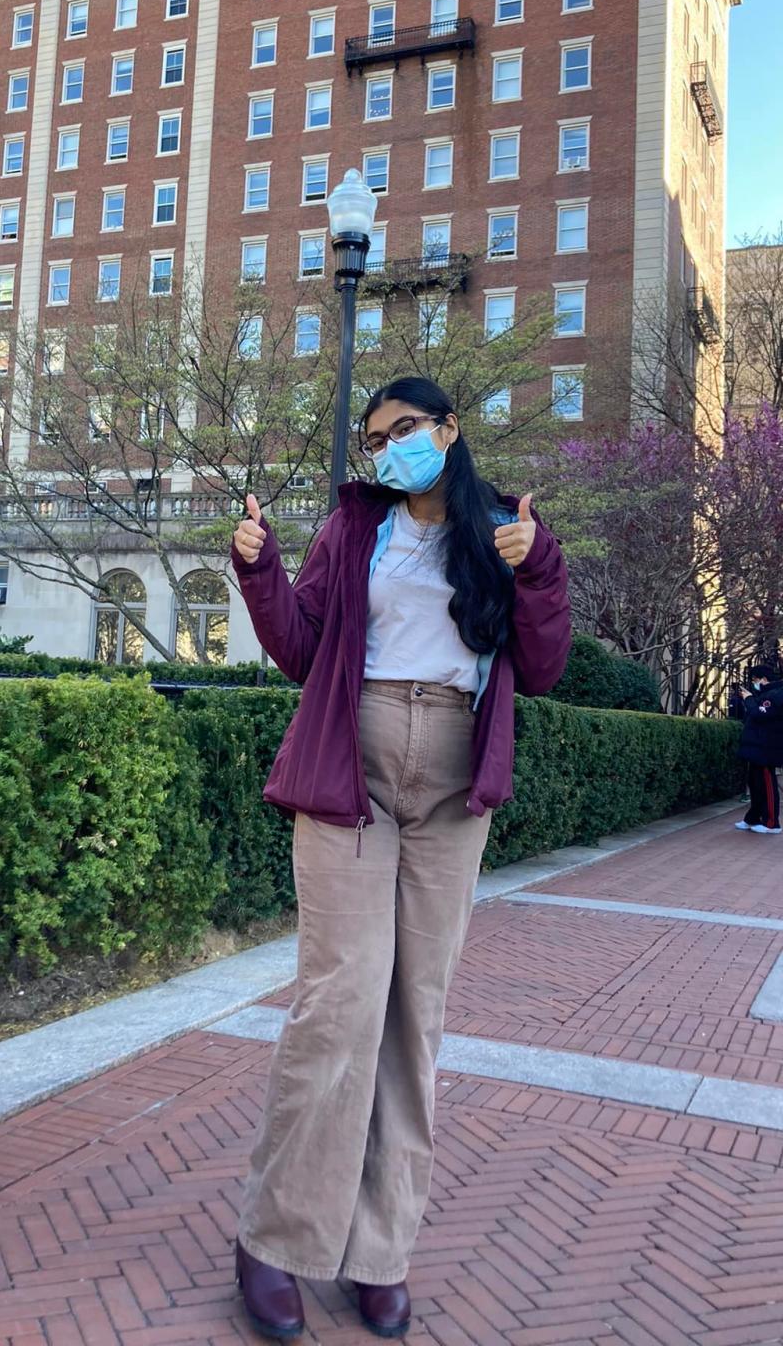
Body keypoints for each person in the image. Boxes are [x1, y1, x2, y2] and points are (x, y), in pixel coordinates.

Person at [229, 376, 571, 1341]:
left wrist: (538, 568)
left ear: (452, 430)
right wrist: (257, 571)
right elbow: (301, 648)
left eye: (407, 430)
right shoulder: (353, 528)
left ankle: (378, 1251)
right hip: (354, 767)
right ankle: (279, 1239)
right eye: (378, 438)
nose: (390, 450)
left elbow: (541, 668)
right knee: (340, 1001)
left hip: (454, 787)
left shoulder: (505, 528)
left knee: (415, 1015)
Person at [734, 665, 783, 834]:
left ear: (763, 678)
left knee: (767, 785)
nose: (755, 683)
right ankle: (753, 818)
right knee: (755, 785)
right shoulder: (766, 695)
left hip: (766, 749)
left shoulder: (775, 696)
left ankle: (772, 822)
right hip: (758, 748)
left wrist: (748, 699)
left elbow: (759, 713)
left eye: (755, 680)